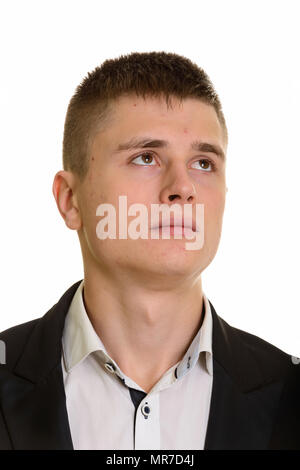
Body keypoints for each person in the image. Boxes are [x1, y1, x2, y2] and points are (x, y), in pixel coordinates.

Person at [0, 51, 299, 450]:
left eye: (204, 163)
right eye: (146, 157)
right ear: (71, 200)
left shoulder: (292, 396)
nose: (183, 186)